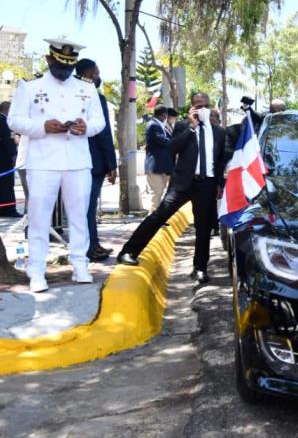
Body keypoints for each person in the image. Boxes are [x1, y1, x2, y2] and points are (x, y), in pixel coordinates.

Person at [8, 38, 105, 292]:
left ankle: (80, 264)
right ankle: (37, 270)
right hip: (42, 161)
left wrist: (86, 128)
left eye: (69, 66)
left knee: (79, 216)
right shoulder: (30, 87)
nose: (64, 71)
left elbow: (99, 122)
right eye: (60, 65)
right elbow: (14, 121)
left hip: (78, 160)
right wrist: (41, 127)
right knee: (39, 217)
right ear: (49, 59)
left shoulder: (87, 88)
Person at [118, 92, 228, 284]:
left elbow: (219, 160)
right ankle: (128, 251)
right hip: (182, 183)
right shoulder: (183, 126)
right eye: (196, 105)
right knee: (159, 216)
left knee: (203, 228)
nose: (200, 109)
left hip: (206, 184)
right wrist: (191, 128)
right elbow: (172, 148)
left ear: (209, 107)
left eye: (204, 105)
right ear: (191, 108)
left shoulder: (218, 131)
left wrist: (219, 183)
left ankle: (200, 268)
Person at [75, 59, 117, 262]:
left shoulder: (71, 94)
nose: (99, 76)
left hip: (72, 159)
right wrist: (112, 164)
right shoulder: (95, 97)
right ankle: (90, 246)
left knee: (81, 207)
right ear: (91, 73)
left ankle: (91, 243)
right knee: (88, 206)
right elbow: (104, 132)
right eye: (97, 72)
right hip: (94, 162)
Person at [0, 101, 21, 218]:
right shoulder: (3, 121)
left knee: (1, 184)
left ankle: (0, 208)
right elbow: (7, 140)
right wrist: (13, 155)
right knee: (7, 184)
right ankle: (9, 208)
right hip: (4, 157)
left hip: (0, 157)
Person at [144, 105, 174, 213]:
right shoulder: (153, 125)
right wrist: (177, 142)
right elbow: (163, 141)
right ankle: (152, 220)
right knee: (157, 193)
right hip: (155, 166)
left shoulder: (161, 125)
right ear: (164, 115)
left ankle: (158, 219)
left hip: (162, 167)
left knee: (161, 193)